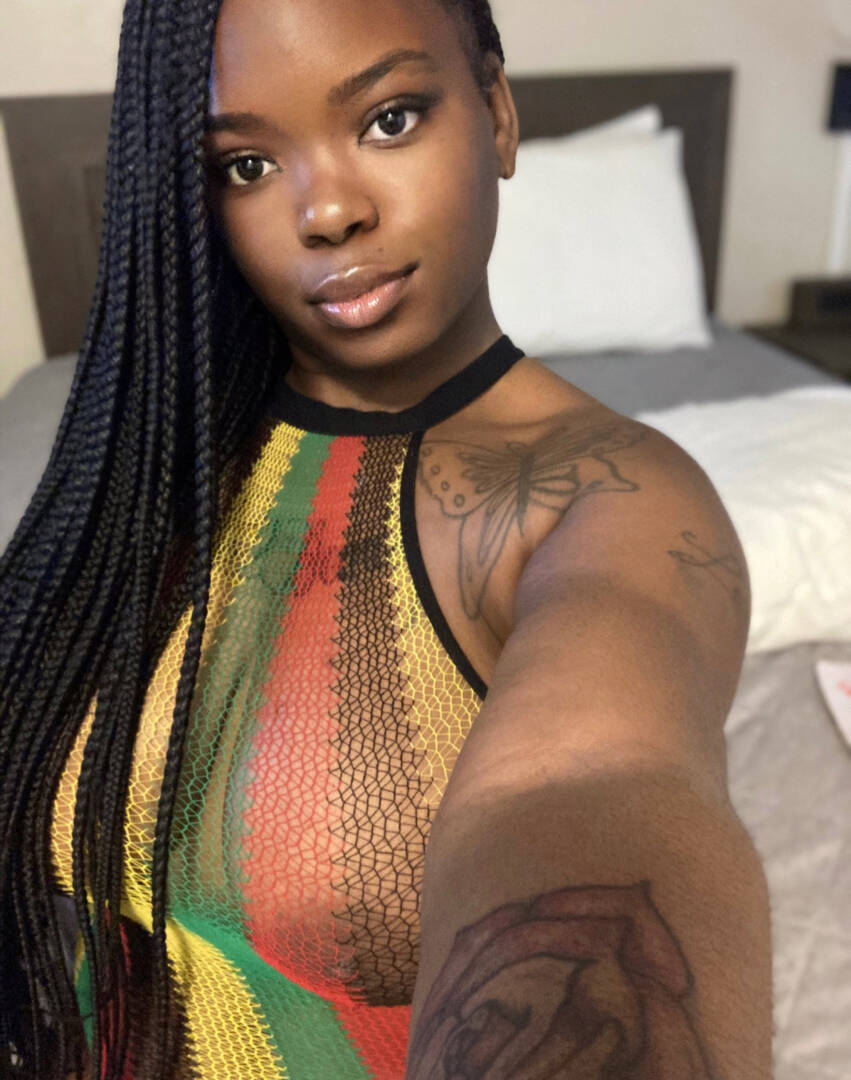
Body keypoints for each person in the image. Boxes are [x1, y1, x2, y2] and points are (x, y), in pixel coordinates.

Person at [0, 0, 773, 1077]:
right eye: (246, 167)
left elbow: (596, 783)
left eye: (389, 120)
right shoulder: (137, 459)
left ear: (496, 115)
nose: (328, 212)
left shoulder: (612, 502)